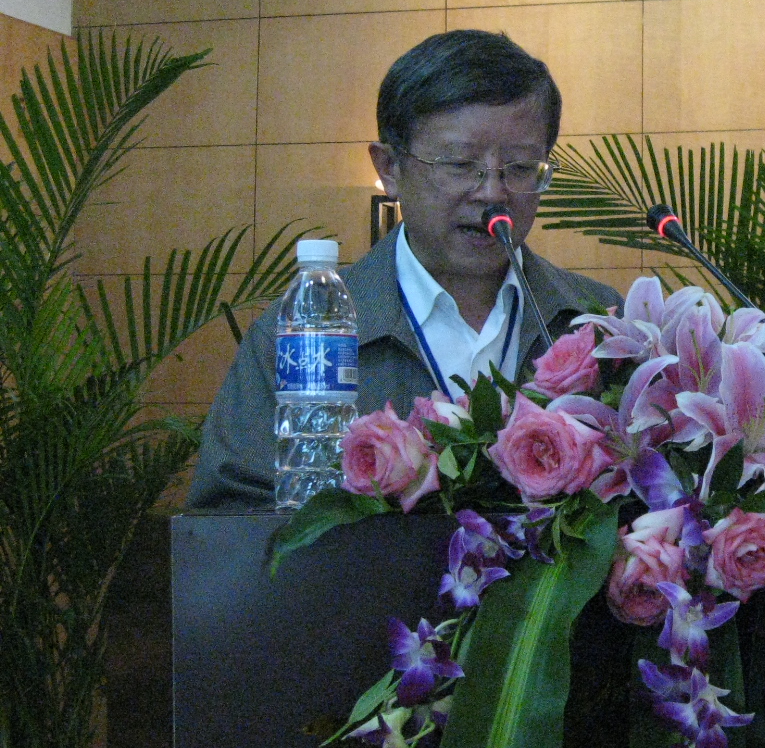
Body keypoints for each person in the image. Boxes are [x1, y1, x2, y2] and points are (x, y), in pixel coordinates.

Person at [187, 29, 622, 510]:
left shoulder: (602, 324)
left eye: (520, 167)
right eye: (460, 164)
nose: (492, 193)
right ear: (390, 168)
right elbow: (230, 519)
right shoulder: (301, 336)